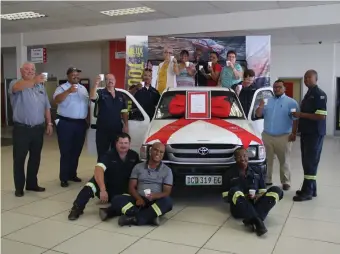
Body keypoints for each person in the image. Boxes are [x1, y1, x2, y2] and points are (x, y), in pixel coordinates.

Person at [68, 133, 139, 220]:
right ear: (116, 143)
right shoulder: (109, 155)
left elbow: (140, 172)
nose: (123, 145)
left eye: (126, 143)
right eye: (121, 143)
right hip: (108, 188)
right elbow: (98, 169)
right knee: (91, 184)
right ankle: (77, 208)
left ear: (129, 144)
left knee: (128, 201)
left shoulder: (134, 155)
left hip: (124, 189)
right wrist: (102, 189)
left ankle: (109, 211)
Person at [8, 62, 53, 197]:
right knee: (20, 158)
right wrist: (34, 80)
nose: (30, 71)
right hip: (22, 129)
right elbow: (16, 88)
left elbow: (46, 106)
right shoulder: (16, 83)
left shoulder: (41, 86)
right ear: (21, 71)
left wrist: (49, 123)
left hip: (38, 129)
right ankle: (19, 187)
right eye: (27, 69)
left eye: (32, 69)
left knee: (35, 157)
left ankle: (32, 184)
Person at [106, 142, 173, 226]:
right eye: (155, 150)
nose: (158, 153)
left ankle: (135, 218)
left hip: (155, 200)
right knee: (116, 199)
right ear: (150, 151)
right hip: (138, 199)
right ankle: (149, 216)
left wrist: (154, 196)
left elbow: (166, 192)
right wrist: (138, 198)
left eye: (161, 152)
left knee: (168, 202)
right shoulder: (138, 167)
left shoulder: (167, 170)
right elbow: (131, 187)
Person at [222, 147, 283, 236]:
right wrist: (242, 198)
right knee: (234, 190)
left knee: (277, 190)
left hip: (256, 203)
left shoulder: (257, 171)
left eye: (244, 156)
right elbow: (226, 197)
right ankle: (258, 220)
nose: (242, 158)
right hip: (239, 207)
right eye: (239, 157)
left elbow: (263, 190)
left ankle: (253, 219)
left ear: (248, 157)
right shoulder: (228, 173)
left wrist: (258, 196)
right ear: (235, 159)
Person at [255, 80, 299, 190]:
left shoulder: (291, 102)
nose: (276, 89)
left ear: (284, 89)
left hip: (284, 136)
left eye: (279, 87)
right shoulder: (267, 101)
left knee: (284, 160)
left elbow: (295, 119)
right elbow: (258, 114)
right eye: (275, 87)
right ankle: (267, 180)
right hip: (267, 136)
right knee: (266, 160)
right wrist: (260, 106)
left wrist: (294, 133)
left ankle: (286, 181)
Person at [292, 70, 327, 202]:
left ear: (316, 78)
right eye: (305, 77)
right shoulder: (308, 94)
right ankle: (311, 189)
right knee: (307, 162)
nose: (306, 80)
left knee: (310, 162)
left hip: (315, 134)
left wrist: (301, 115)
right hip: (307, 133)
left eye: (309, 77)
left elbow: (321, 116)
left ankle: (307, 192)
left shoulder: (319, 94)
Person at [53, 67, 89, 187]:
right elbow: (56, 100)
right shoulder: (61, 88)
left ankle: (72, 174)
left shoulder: (83, 89)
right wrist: (68, 91)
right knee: (66, 151)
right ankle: (64, 178)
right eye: (73, 75)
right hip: (66, 123)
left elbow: (87, 105)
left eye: (77, 75)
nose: (76, 77)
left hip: (80, 124)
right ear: (68, 76)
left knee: (76, 151)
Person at [90, 74, 129, 160]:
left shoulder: (120, 95)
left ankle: (113, 173)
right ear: (105, 82)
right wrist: (96, 84)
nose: (110, 81)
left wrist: (126, 125)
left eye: (112, 79)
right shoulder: (101, 93)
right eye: (108, 79)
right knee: (102, 154)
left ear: (115, 81)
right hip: (103, 130)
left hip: (117, 130)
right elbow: (92, 97)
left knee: (116, 153)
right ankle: (101, 173)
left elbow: (124, 111)